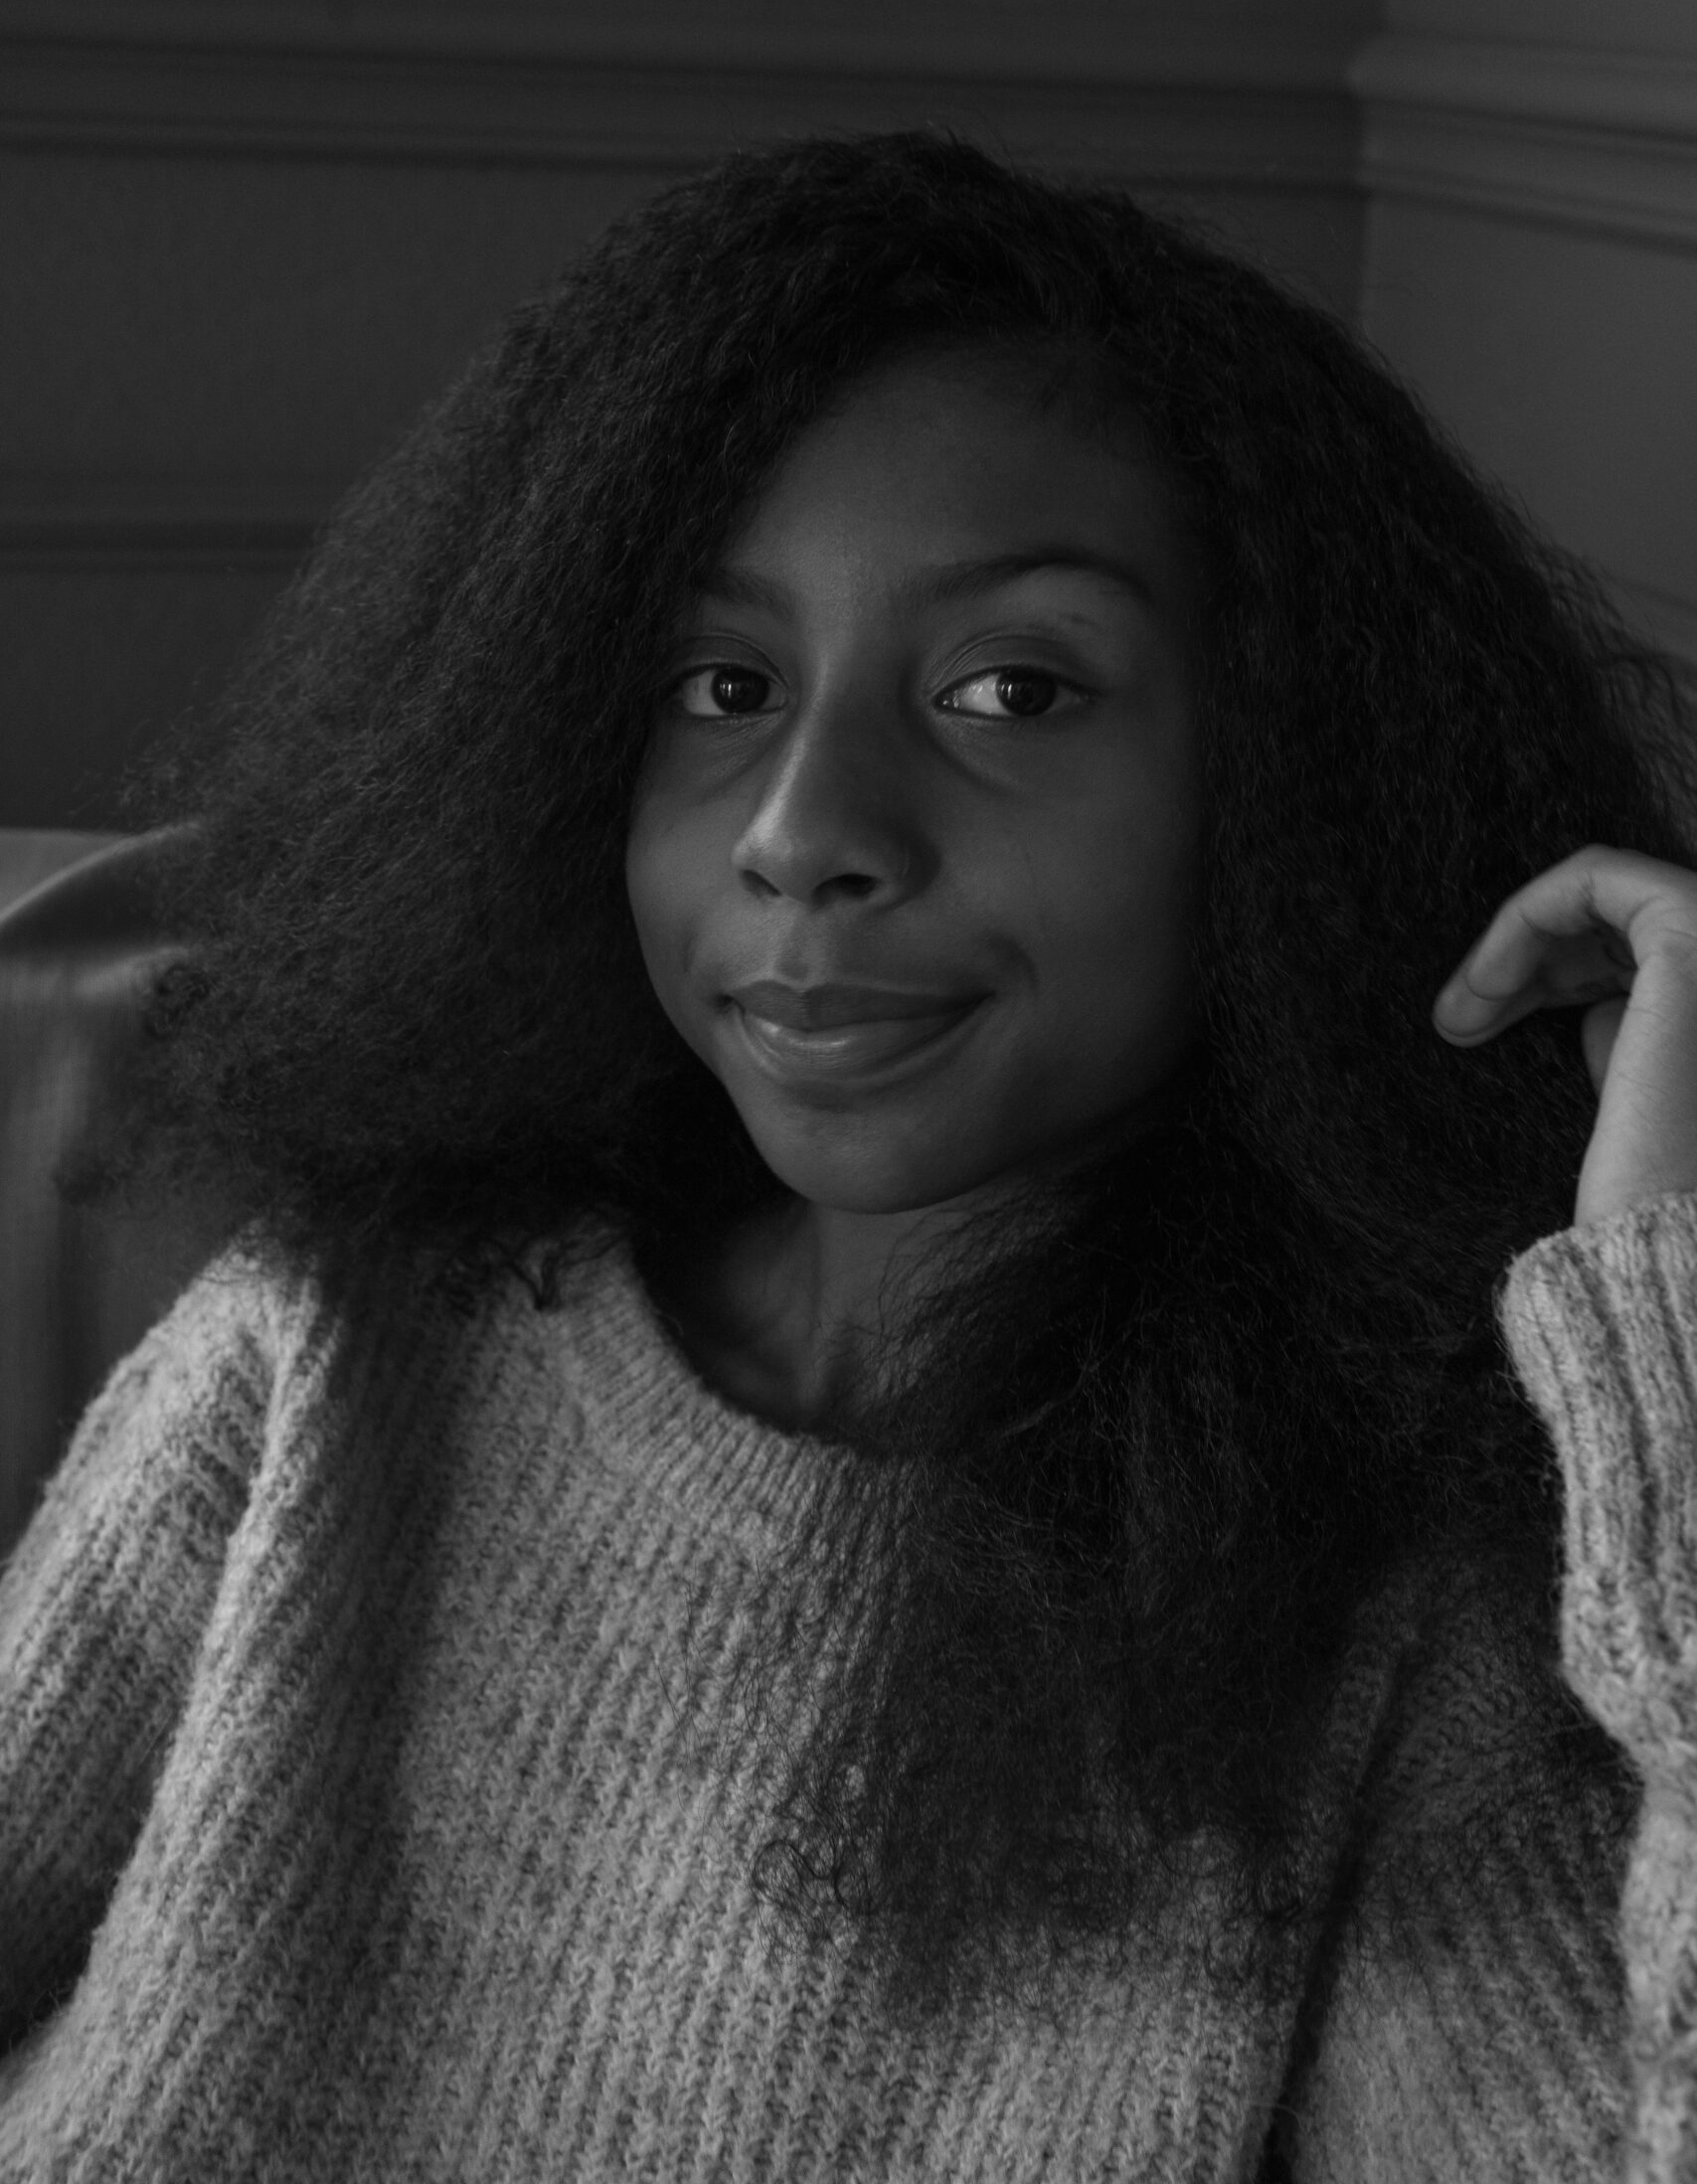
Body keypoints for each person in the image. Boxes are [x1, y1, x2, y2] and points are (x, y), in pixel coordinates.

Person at [4, 127, 1697, 2181]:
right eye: (715, 683)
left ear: (1287, 794)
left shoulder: (1396, 1623)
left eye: (1011, 685)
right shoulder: (338, 1340)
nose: (802, 822)